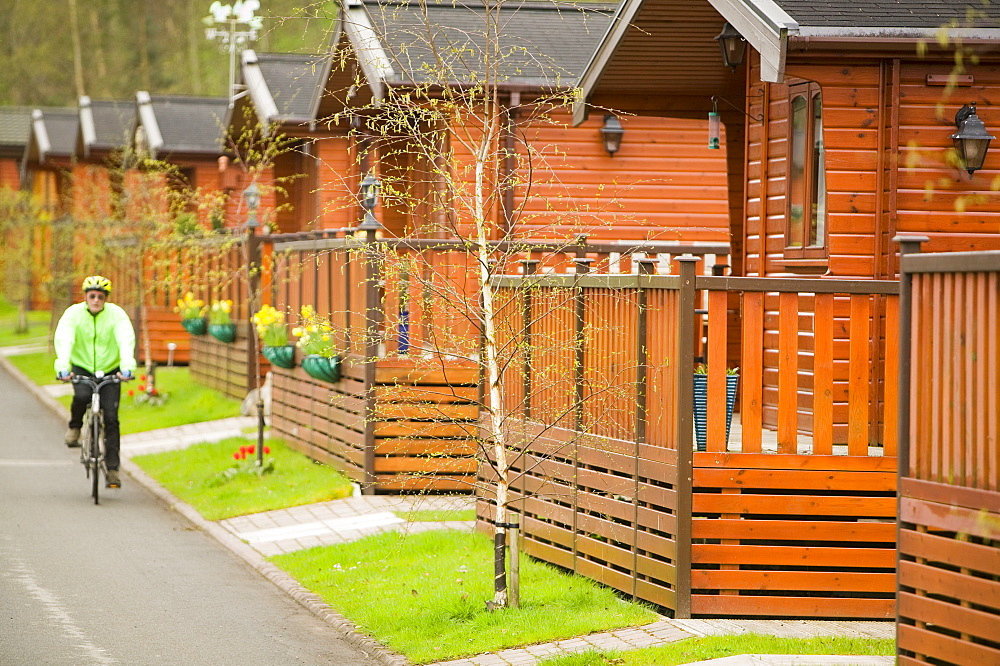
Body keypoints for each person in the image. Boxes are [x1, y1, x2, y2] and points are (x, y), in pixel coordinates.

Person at [54, 276, 136, 489]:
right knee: (81, 396)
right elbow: (65, 339)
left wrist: (128, 366)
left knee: (111, 418)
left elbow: (125, 339)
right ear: (85, 297)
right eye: (92, 296)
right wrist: (62, 366)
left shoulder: (116, 314)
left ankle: (112, 470)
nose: (96, 300)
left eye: (101, 296)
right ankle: (75, 427)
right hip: (82, 366)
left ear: (106, 298)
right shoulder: (73, 314)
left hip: (111, 369)